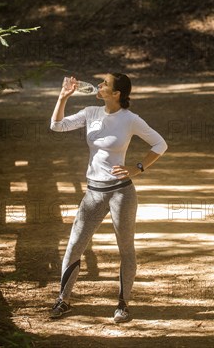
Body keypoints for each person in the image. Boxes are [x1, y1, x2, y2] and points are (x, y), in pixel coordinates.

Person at [49, 72, 168, 322]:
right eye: (101, 82)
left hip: (121, 193)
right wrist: (62, 98)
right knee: (74, 246)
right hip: (93, 193)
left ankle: (123, 305)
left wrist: (137, 168)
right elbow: (57, 126)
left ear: (117, 94)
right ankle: (63, 299)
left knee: (125, 249)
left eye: (105, 84)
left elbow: (160, 144)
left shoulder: (130, 119)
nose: (99, 85)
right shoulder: (91, 112)